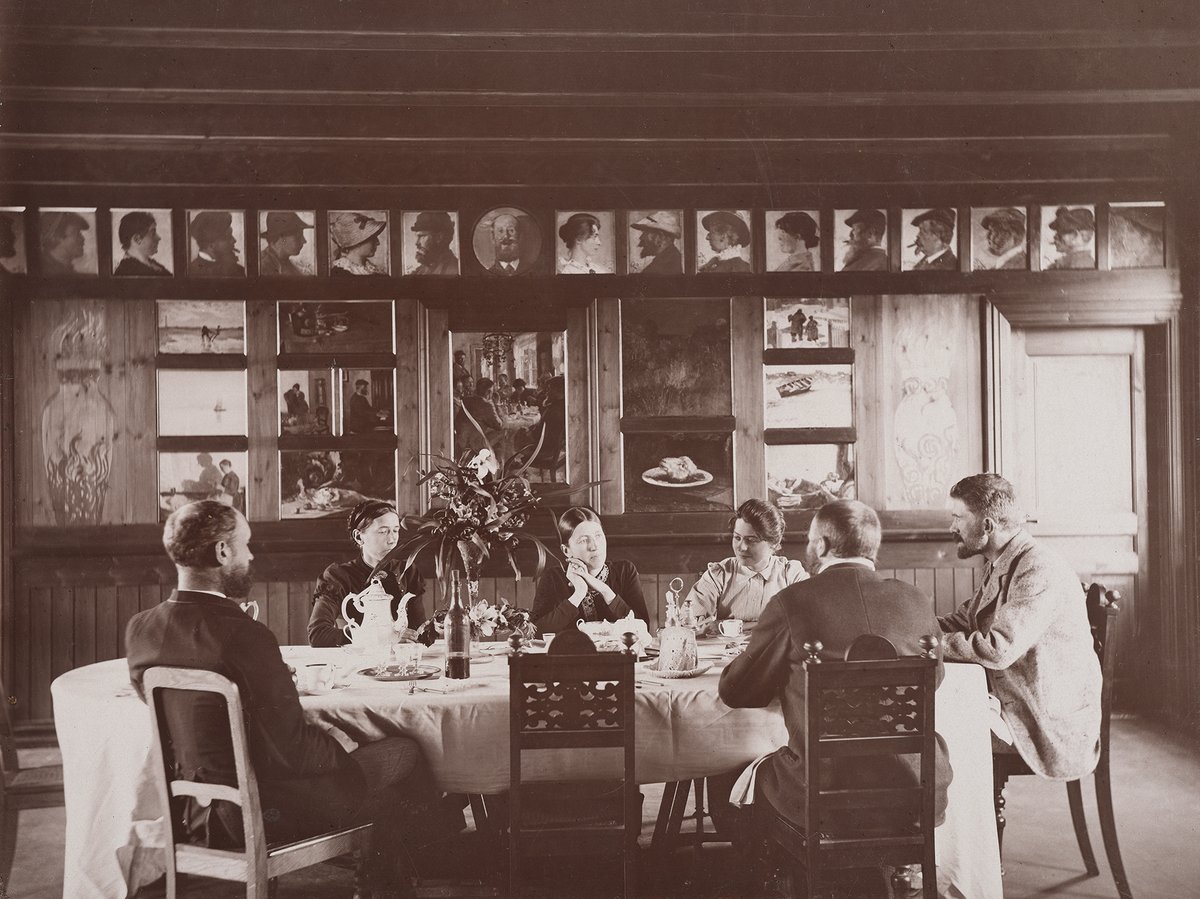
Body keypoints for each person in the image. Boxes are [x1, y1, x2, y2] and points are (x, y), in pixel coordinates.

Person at [127, 501, 442, 898]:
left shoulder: (141, 630)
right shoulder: (246, 635)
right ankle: (399, 877)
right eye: (246, 545)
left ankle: (397, 866)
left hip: (194, 809)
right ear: (223, 552)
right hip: (268, 807)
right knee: (404, 753)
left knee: (383, 776)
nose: (251, 555)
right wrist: (346, 746)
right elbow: (294, 749)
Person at [718, 500, 953, 895]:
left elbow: (736, 690)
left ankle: (782, 883)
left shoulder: (793, 602)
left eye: (811, 542)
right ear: (871, 549)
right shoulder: (916, 601)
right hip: (915, 787)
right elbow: (937, 678)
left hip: (824, 792)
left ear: (822, 546)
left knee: (740, 773)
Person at [938, 473, 1101, 779]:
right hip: (1018, 698)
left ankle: (959, 825)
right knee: (938, 721)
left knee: (940, 734)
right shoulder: (1004, 560)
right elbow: (964, 619)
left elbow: (998, 649)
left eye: (958, 517)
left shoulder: (1037, 567)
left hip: (1046, 721)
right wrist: (908, 624)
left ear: (987, 526)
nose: (952, 527)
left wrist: (930, 644)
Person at [309, 500, 427, 648]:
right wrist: (380, 637)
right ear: (359, 536)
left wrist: (436, 628)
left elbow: (418, 631)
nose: (392, 540)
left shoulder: (408, 571)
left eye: (395, 530)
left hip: (402, 663)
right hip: (358, 662)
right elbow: (317, 634)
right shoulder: (338, 576)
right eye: (383, 531)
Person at [683, 499, 806, 631]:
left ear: (774, 543)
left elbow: (808, 618)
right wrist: (774, 624)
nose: (741, 547)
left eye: (751, 540)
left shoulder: (791, 574)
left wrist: (726, 626)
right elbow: (690, 625)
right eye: (737, 538)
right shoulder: (718, 575)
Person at [532, 507, 649, 633]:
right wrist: (579, 594)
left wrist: (605, 590)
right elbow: (535, 632)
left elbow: (643, 628)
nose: (594, 546)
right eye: (583, 540)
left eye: (598, 536)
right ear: (567, 550)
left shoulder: (625, 571)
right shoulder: (553, 578)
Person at [188, 210, 245, 277]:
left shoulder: (239, 271)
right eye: (227, 237)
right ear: (211, 245)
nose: (234, 240)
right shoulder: (190, 272)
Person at [330, 211, 388, 277]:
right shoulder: (338, 274)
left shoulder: (376, 272)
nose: (378, 243)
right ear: (357, 242)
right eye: (373, 238)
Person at [114, 211, 171, 276]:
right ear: (137, 239)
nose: (159, 237)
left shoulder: (153, 265)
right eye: (153, 233)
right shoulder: (126, 272)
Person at [458, 377, 504, 453]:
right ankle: (498, 462)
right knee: (503, 433)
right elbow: (499, 425)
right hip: (476, 444)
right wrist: (497, 404)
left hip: (461, 441)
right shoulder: (487, 404)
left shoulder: (466, 400)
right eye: (491, 392)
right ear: (488, 392)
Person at [260, 211, 313, 276]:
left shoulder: (288, 264)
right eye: (298, 237)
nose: (304, 241)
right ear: (281, 238)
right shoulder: (262, 266)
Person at [39, 210, 89, 276]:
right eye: (76, 233)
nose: (82, 239)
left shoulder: (69, 272)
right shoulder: (43, 272)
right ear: (56, 237)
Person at [1046, 206, 1096, 270]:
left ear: (1075, 235)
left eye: (1063, 232)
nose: (1057, 236)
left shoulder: (1080, 262)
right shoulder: (1074, 259)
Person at [409, 211, 459, 275]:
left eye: (421, 236)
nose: (417, 243)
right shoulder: (420, 271)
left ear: (439, 237)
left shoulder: (454, 270)